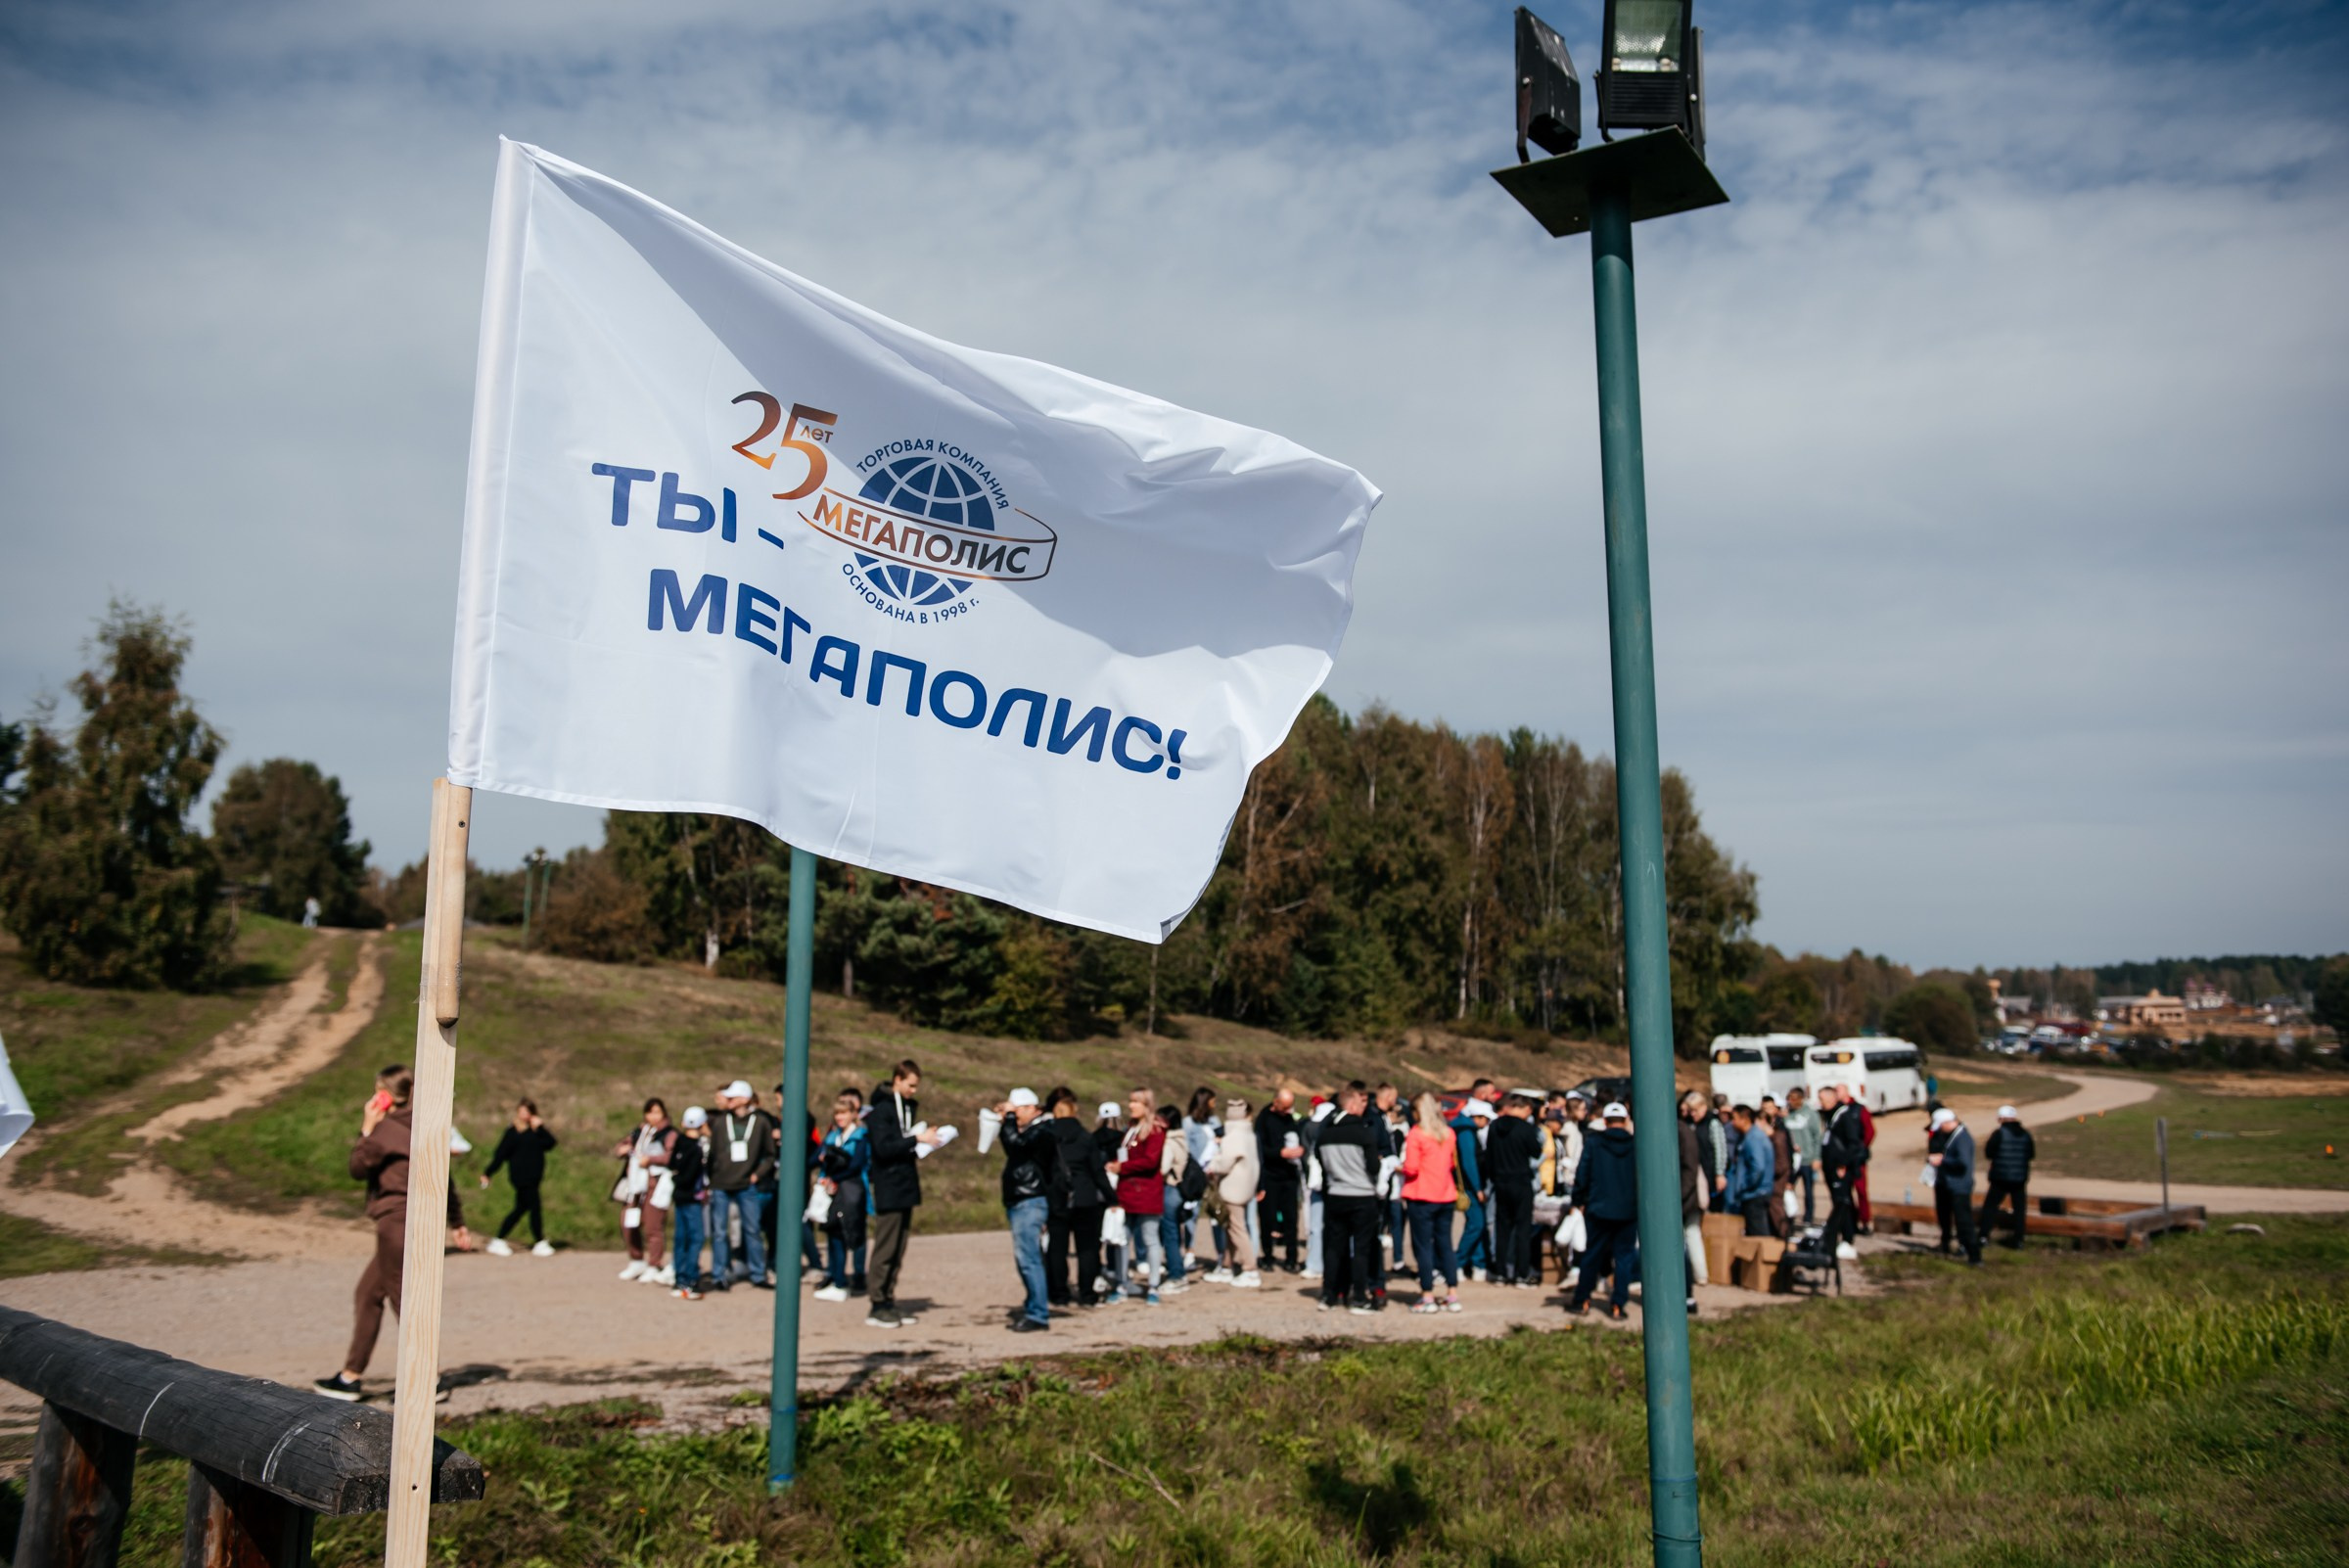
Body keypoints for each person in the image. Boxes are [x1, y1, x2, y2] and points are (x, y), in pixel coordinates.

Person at [316, 1069, 469, 1401]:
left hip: (395, 1224)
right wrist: (457, 1221)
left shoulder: (385, 1130)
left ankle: (429, 1380)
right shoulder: (427, 1123)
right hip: (413, 1224)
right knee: (368, 1294)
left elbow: (358, 1168)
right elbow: (445, 1176)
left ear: (384, 1094)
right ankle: (350, 1376)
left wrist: (367, 1127)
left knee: (404, 1302)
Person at [865, 1060, 937, 1327]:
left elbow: (901, 1143)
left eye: (916, 1086)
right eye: (910, 1085)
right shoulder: (881, 1112)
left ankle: (889, 1299)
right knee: (886, 1246)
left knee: (899, 1247)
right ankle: (877, 1302)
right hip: (888, 1186)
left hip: (905, 1184)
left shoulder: (907, 1109)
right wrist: (916, 1140)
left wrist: (921, 1142)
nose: (913, 1091)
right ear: (897, 1079)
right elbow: (884, 1148)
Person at [994, 1087, 1062, 1332]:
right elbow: (1012, 1145)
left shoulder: (1043, 1130)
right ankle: (1034, 1302)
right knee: (1024, 1258)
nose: (1015, 1115)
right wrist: (1006, 1120)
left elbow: (1015, 1146)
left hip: (1031, 1199)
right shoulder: (1032, 1131)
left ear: (1031, 1109)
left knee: (1029, 1258)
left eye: (1018, 1110)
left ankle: (1038, 1313)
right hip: (1020, 1199)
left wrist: (1009, 1120)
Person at [1568, 1102, 1639, 1319]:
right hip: (1628, 1209)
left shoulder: (1594, 1142)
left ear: (1605, 1121)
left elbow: (1583, 1172)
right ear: (1626, 1121)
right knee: (1624, 1258)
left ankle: (1583, 1300)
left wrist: (1578, 1200)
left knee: (1592, 1255)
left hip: (1599, 1208)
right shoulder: (1636, 1144)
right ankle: (1618, 1304)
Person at [1317, 1084, 1384, 1314]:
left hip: (1336, 1194)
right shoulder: (1363, 1133)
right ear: (1353, 1105)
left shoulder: (1325, 1134)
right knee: (1362, 1249)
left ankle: (1329, 1294)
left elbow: (1320, 1162)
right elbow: (1374, 1167)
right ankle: (1359, 1297)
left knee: (1335, 1247)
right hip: (1362, 1195)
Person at [705, 1080, 775, 1293]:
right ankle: (720, 1274)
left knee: (752, 1230)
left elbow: (771, 1155)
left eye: (732, 1097)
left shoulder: (761, 1122)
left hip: (747, 1185)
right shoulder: (720, 1122)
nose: (728, 1100)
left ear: (744, 1099)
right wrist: (712, 1177)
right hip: (720, 1184)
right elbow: (713, 1153)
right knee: (719, 1231)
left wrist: (757, 1175)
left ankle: (758, 1273)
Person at [1045, 1088, 1113, 1308]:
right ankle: (1087, 1293)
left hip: (1057, 1197)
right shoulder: (1085, 1136)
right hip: (1085, 1197)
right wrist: (1113, 1198)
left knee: (1057, 1248)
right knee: (1087, 1248)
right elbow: (1097, 1171)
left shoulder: (1047, 1136)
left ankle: (1059, 1293)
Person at [1401, 1092, 1462, 1313]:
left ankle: (1427, 1295)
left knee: (1423, 1246)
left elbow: (1412, 1167)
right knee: (1445, 1244)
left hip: (1422, 1195)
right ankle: (1452, 1293)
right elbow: (1452, 1165)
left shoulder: (1416, 1135)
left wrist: (1401, 1168)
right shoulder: (1449, 1133)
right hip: (1445, 1194)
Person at [1107, 1090, 1169, 1304]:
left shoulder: (1155, 1130)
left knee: (1150, 1238)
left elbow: (1151, 1161)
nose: (1131, 1105)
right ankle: (1121, 1283)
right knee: (1121, 1239)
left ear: (1147, 1105)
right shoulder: (1130, 1130)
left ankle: (1153, 1285)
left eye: (1136, 1102)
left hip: (1147, 1192)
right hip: (1126, 1192)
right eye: (1131, 1101)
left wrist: (1122, 1167)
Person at [480, 1098, 557, 1257]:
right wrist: (488, 1172)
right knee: (534, 1207)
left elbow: (551, 1143)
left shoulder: (535, 1132)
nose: (524, 1115)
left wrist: (540, 1128)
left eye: (527, 1112)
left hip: (534, 1177)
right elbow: (500, 1155)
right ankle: (539, 1241)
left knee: (521, 1208)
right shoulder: (512, 1132)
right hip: (521, 1177)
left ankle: (499, 1240)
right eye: (521, 1112)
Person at [812, 1093, 870, 1303]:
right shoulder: (832, 1136)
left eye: (843, 1113)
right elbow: (816, 1157)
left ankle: (857, 1276)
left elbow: (856, 1165)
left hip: (852, 1191)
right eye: (837, 1113)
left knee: (854, 1233)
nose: (839, 1117)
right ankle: (837, 1279)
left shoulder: (861, 1136)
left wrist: (834, 1177)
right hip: (832, 1192)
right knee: (833, 1232)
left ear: (853, 1114)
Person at [614, 1097, 677, 1286]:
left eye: (657, 1112)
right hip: (634, 1186)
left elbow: (670, 1155)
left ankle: (654, 1263)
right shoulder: (638, 1132)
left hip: (655, 1185)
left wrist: (651, 1159)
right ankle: (636, 1259)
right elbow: (620, 1147)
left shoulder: (669, 1134)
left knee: (653, 1226)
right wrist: (623, 1150)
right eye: (650, 1112)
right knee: (628, 1222)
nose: (653, 1116)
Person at [1484, 1090, 1543, 1285]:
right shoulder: (1526, 1128)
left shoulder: (1494, 1126)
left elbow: (1489, 1156)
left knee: (1502, 1229)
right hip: (1521, 1181)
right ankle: (1521, 1273)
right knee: (1523, 1229)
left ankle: (1501, 1272)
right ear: (1524, 1108)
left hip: (1500, 1182)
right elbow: (1536, 1152)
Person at [1203, 1095, 1263, 1287]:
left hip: (1233, 1188)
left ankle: (1250, 1268)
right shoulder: (1248, 1135)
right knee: (1230, 1228)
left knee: (1237, 1228)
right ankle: (1227, 1266)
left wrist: (1212, 1166)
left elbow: (1224, 1162)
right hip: (1244, 1186)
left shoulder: (1233, 1137)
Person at [1255, 1087, 1304, 1272]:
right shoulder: (1264, 1119)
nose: (1287, 1111)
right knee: (1267, 1218)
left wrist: (1300, 1151)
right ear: (1276, 1103)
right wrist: (1279, 1153)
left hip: (1290, 1176)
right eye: (1284, 1107)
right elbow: (1260, 1149)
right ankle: (1267, 1255)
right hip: (1270, 1176)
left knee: (1291, 1219)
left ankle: (1292, 1258)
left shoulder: (1292, 1119)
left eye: (1290, 1107)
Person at [1820, 1084, 1868, 1262]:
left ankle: (1848, 1238)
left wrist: (1843, 1164)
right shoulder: (1830, 1116)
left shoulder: (1845, 1116)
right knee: (1837, 1201)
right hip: (1831, 1167)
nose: (1821, 1103)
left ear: (1833, 1098)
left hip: (1841, 1170)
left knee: (1844, 1203)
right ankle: (1841, 1235)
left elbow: (1854, 1144)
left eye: (1823, 1099)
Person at [1928, 1108, 1982, 1265]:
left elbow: (1963, 1163)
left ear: (1947, 1123)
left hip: (1960, 1186)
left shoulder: (1962, 1138)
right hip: (1952, 1184)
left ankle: (1974, 1255)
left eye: (1941, 1126)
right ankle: (1966, 1250)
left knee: (1964, 1221)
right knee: (1958, 1219)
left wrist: (1942, 1161)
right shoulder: (1956, 1136)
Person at [1449, 1096, 1493, 1281]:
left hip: (1468, 1186)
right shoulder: (1466, 1131)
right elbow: (1469, 1163)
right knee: (1477, 1224)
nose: (1488, 1122)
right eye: (1486, 1118)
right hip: (1468, 1187)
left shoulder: (1463, 1128)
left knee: (1476, 1224)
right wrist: (1477, 1188)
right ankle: (1458, 1263)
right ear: (1477, 1116)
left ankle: (1477, 1264)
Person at [669, 1106, 711, 1299]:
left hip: (678, 1197)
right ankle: (690, 1281)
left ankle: (679, 1280)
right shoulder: (696, 1149)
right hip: (692, 1199)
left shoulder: (679, 1142)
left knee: (681, 1239)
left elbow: (672, 1166)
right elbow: (689, 1176)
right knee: (695, 1238)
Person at [1980, 1105, 2035, 1249]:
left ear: (2001, 1118)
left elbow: (1989, 1153)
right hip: (2019, 1178)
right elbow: (2031, 1155)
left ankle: (1983, 1236)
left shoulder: (1999, 1134)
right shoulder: (2026, 1134)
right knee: (2019, 1210)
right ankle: (2019, 1240)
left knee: (1990, 1207)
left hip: (2000, 1177)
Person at [1726, 1104, 1775, 1237]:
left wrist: (1744, 1185)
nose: (1732, 1122)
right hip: (1754, 1192)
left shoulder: (1753, 1138)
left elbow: (1758, 1167)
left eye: (1734, 1118)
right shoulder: (1749, 1136)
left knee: (1758, 1235)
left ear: (1745, 1119)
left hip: (1755, 1194)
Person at [1092, 1100, 1126, 1292]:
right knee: (1115, 1231)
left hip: (1097, 1188)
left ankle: (1097, 1270)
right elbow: (1123, 1161)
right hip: (1116, 1188)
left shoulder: (1092, 1138)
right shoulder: (1121, 1139)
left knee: (1096, 1234)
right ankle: (1114, 1268)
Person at [1677, 1091, 1707, 1308]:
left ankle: (1689, 1288)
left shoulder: (1682, 1131)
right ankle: (1699, 1276)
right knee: (1691, 1236)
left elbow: (1689, 1168)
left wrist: (1677, 1197)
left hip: (1684, 1198)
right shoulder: (1685, 1130)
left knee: (1686, 1241)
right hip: (1685, 1195)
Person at [1782, 1086, 1823, 1223]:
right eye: (1789, 1098)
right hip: (1791, 1160)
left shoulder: (1811, 1114)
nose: (1790, 1101)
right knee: (1788, 1188)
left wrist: (1817, 1157)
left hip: (1807, 1159)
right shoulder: (1785, 1114)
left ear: (1801, 1099)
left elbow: (1817, 1137)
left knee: (1808, 1191)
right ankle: (1789, 1215)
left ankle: (1808, 1217)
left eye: (1793, 1098)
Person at [1925, 1112, 1957, 1253]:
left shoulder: (1957, 1137)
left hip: (1951, 1180)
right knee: (1942, 1211)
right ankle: (1945, 1240)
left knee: (1955, 1212)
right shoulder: (1937, 1134)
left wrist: (1942, 1159)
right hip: (1940, 1178)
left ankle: (1957, 1242)